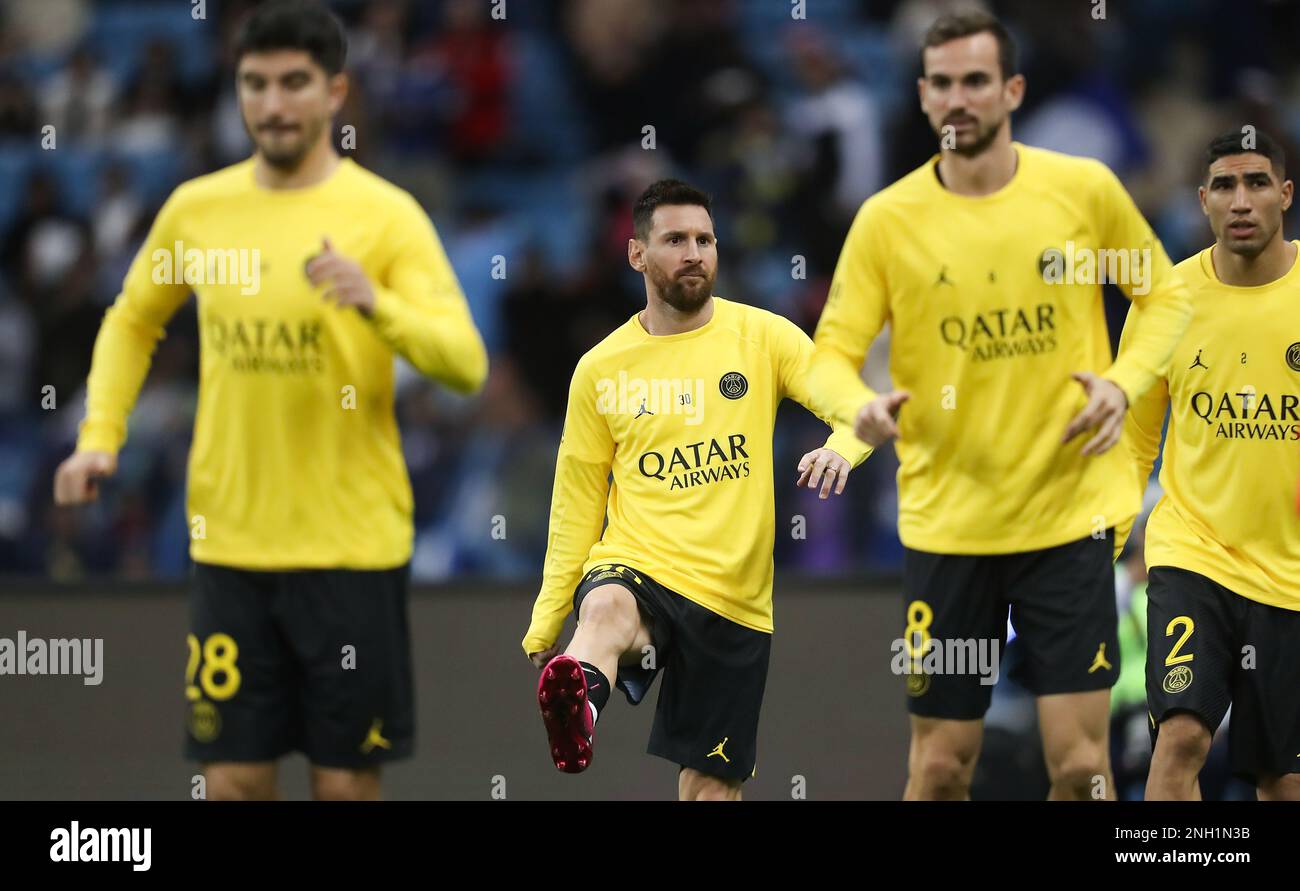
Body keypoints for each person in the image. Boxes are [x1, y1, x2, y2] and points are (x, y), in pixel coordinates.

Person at [52, 0, 487, 800]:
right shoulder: (198, 209)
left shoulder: (385, 215)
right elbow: (132, 318)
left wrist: (376, 305)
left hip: (351, 549)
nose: (274, 103)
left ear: (334, 92)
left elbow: (465, 364)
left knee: (345, 786)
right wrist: (99, 435)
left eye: (294, 82)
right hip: (232, 546)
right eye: (255, 83)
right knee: (233, 780)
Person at [807, 11, 1191, 800]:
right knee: (942, 767)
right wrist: (860, 412)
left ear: (1011, 89)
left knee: (1082, 768)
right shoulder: (889, 222)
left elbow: (1163, 297)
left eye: (976, 80)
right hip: (949, 527)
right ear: (920, 96)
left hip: (1067, 518)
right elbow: (831, 356)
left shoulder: (1081, 194)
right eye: (942, 83)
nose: (959, 98)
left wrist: (1122, 380)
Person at [522, 179, 869, 800]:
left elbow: (854, 406)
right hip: (639, 562)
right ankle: (578, 700)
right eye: (675, 239)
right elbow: (576, 500)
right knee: (603, 610)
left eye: (705, 239)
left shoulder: (765, 338)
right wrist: (549, 615)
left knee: (710, 787)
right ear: (636, 255)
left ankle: (585, 691)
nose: (694, 253)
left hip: (732, 596)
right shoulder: (601, 368)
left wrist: (841, 449)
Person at [1126, 129, 1300, 801]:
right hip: (1193, 553)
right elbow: (1136, 443)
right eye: (1224, 186)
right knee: (1183, 737)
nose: (1241, 200)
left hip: (1287, 573)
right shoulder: (1166, 303)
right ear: (1202, 201)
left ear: (1284, 195)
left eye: (1257, 182)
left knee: (1280, 780)